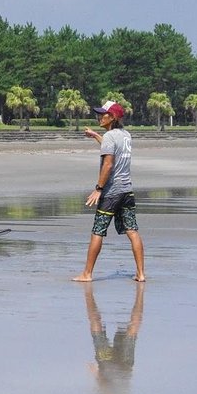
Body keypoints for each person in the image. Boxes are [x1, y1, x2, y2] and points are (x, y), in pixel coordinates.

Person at [73, 101, 146, 282]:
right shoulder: (125, 135)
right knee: (132, 230)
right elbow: (111, 146)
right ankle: (141, 274)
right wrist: (96, 135)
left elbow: (108, 163)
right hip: (127, 192)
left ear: (112, 117)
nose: (99, 117)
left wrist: (98, 188)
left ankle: (87, 274)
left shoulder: (110, 137)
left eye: (103, 114)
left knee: (98, 231)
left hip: (111, 193)